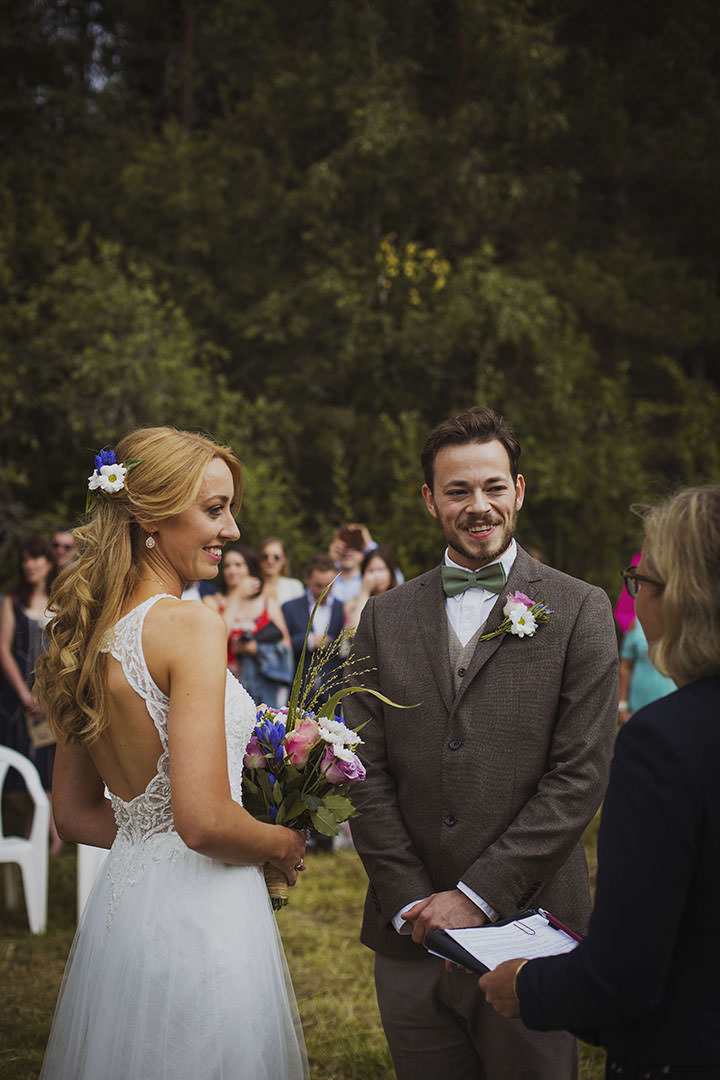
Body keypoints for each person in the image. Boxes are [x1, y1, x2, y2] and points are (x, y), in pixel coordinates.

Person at [344, 406, 618, 1080]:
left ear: (519, 491)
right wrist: (411, 898)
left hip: (529, 934)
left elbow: (580, 775)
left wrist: (477, 895)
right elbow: (359, 766)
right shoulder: (383, 617)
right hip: (408, 938)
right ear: (430, 498)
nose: (479, 506)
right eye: (459, 490)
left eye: (494, 487)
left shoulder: (581, 609)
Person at [35, 427, 308, 1080]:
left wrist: (146, 840)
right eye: (215, 509)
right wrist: (279, 845)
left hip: (126, 911)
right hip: (199, 913)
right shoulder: (189, 627)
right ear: (151, 516)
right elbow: (204, 821)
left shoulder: (88, 631)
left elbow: (71, 814)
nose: (234, 530)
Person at [479, 485, 720, 1078]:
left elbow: (626, 976)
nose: (636, 597)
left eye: (644, 581)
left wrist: (527, 986)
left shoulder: (665, 745)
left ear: (682, 597)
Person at [0, 538, 62, 853]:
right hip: (22, 701)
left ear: (49, 563)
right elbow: (3, 650)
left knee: (52, 766)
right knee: (28, 767)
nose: (30, 565)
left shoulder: (60, 599)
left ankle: (50, 836)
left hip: (55, 698)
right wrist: (25, 695)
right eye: (25, 559)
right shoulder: (12, 602)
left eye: (36, 558)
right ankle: (39, 832)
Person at [203, 544, 293, 707]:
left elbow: (286, 646)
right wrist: (236, 596)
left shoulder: (268, 604)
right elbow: (215, 638)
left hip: (263, 687)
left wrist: (255, 649)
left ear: (250, 569)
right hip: (224, 686)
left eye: (238, 565)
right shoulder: (212, 602)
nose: (232, 570)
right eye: (227, 566)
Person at [282, 553, 345, 695]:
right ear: (307, 578)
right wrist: (308, 640)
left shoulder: (342, 608)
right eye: (318, 586)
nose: (324, 591)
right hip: (299, 689)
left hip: (332, 689)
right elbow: (282, 644)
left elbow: (347, 645)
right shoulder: (290, 608)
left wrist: (330, 643)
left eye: (328, 586)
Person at [618, 616, 675, 724]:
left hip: (672, 706)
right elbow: (625, 667)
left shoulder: (681, 621)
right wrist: (622, 705)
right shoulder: (636, 624)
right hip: (638, 707)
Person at [343, 546, 398, 633]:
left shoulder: (400, 600)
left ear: (390, 572)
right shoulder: (351, 604)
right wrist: (364, 591)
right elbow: (354, 632)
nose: (377, 576)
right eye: (371, 571)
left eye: (381, 569)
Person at [259, 537, 304, 606]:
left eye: (276, 557)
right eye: (265, 556)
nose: (270, 561)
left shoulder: (294, 586)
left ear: (284, 560)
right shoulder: (250, 585)